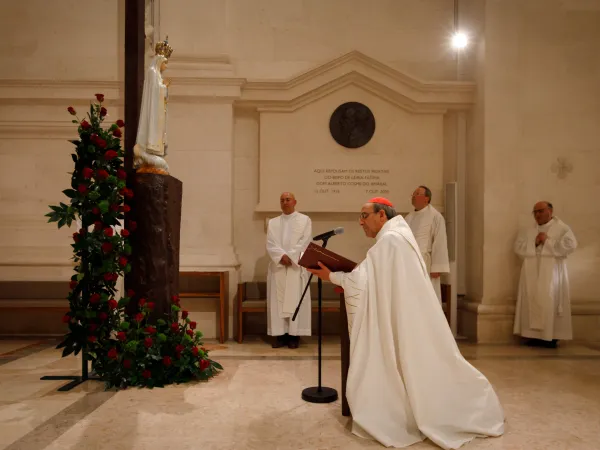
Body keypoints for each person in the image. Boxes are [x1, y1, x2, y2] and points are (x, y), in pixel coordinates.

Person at [307, 197, 504, 449]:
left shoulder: (389, 241)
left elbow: (362, 283)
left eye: (364, 215)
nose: (360, 221)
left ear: (382, 215)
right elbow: (373, 278)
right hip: (409, 315)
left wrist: (331, 275)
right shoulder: (398, 238)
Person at [513, 201, 577, 348]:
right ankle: (533, 335)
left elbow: (570, 246)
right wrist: (534, 243)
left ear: (550, 211)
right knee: (532, 298)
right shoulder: (528, 230)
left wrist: (547, 241)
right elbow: (517, 248)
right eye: (535, 212)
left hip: (552, 270)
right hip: (531, 270)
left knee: (550, 299)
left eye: (540, 211)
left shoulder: (562, 228)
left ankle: (551, 336)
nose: (537, 215)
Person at [266, 192, 312, 349]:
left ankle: (294, 336)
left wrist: (291, 257)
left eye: (288, 199)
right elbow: (271, 243)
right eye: (282, 200)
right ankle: (280, 335)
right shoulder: (273, 222)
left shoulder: (304, 220)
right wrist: (281, 256)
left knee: (295, 301)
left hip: (295, 267)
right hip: (278, 267)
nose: (285, 202)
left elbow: (305, 242)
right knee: (278, 303)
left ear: (294, 202)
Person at [133, 37, 173, 174]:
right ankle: (145, 151)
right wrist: (163, 87)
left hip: (158, 112)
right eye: (165, 63)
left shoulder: (157, 75)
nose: (166, 66)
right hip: (152, 111)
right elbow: (153, 92)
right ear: (160, 61)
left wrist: (164, 88)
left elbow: (159, 91)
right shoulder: (152, 72)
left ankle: (151, 155)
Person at [404, 185, 450, 303]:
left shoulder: (435, 216)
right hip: (409, 263)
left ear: (426, 198)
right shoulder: (408, 217)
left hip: (426, 264)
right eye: (413, 194)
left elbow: (439, 242)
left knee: (426, 298)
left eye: (417, 194)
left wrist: (436, 268)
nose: (413, 197)